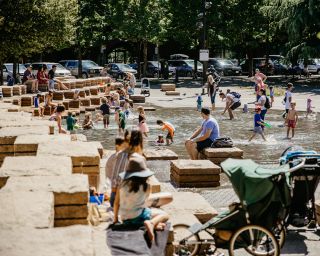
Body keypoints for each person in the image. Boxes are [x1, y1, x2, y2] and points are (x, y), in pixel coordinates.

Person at [113, 153, 169, 242]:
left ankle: (152, 225)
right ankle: (151, 223)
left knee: (143, 213)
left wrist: (115, 219)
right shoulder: (147, 186)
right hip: (139, 217)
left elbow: (116, 203)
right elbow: (145, 204)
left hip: (125, 219)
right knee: (164, 214)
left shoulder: (122, 185)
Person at [110, 129, 142, 207]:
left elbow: (115, 182)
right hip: (125, 200)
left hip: (114, 198)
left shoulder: (120, 154)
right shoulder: (136, 157)